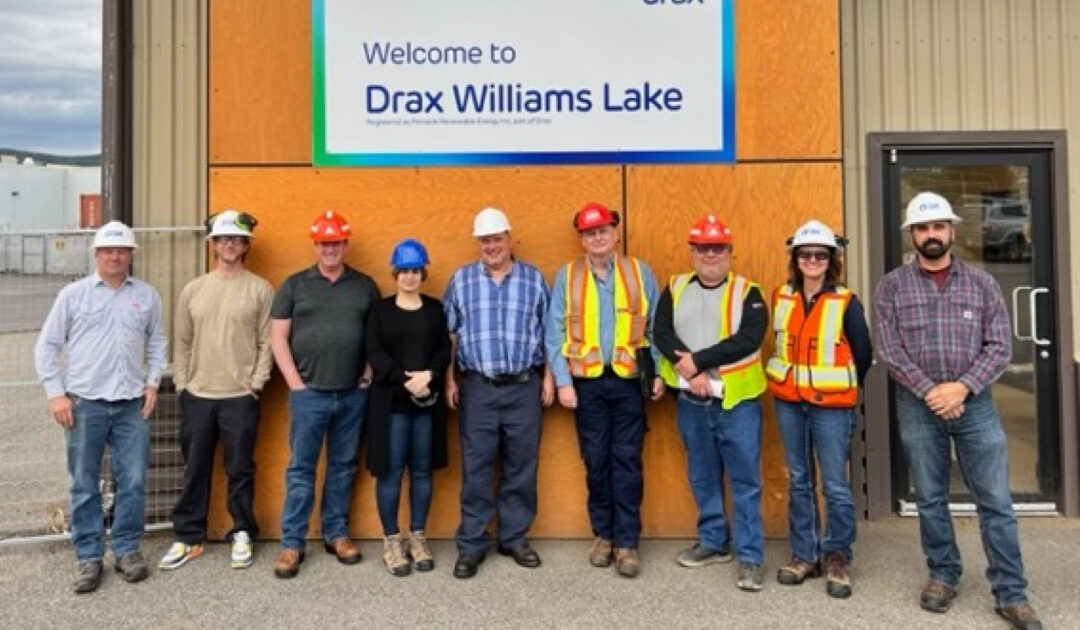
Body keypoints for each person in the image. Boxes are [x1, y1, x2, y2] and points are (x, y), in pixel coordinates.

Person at [873, 192, 1041, 629]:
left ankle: (1011, 592)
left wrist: (962, 388)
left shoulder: (982, 284)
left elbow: (1000, 346)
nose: (931, 234)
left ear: (951, 230)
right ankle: (943, 575)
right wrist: (932, 391)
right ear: (912, 234)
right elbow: (889, 349)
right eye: (922, 228)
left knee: (995, 501)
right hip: (918, 404)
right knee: (930, 498)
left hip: (975, 404)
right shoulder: (892, 287)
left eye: (938, 226)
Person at [34, 221, 167, 594]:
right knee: (83, 482)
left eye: (122, 250)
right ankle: (89, 556)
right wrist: (56, 394)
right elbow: (46, 346)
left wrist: (153, 382)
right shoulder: (73, 295)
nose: (115, 256)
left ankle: (126, 550)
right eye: (108, 250)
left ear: (131, 255)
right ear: (96, 254)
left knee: (134, 480)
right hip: (85, 404)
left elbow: (158, 341)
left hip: (131, 405)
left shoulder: (146, 296)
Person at [544, 202, 664, 578]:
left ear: (615, 233)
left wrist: (658, 372)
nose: (597, 237)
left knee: (627, 461)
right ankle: (604, 535)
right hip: (587, 385)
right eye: (590, 232)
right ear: (582, 239)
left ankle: (627, 542)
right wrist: (563, 381)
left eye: (603, 231)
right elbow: (554, 333)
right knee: (596, 461)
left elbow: (655, 326)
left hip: (629, 383)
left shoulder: (640, 272)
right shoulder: (568, 276)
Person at [654, 214, 769, 592]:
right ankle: (713, 541)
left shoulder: (748, 292)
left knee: (745, 481)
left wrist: (697, 363)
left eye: (718, 247)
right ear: (692, 252)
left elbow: (748, 340)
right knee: (702, 475)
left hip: (737, 402)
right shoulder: (675, 287)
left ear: (730, 252)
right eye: (703, 248)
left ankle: (750, 556)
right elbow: (661, 332)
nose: (710, 254)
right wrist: (692, 375)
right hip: (692, 400)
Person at [158, 210, 274, 571]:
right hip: (198, 394)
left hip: (240, 396)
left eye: (236, 240)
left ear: (246, 245)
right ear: (214, 245)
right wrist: (183, 384)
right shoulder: (194, 289)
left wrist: (257, 382)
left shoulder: (260, 289)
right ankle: (188, 537)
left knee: (240, 469)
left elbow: (267, 341)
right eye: (223, 239)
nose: (229, 245)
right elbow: (182, 341)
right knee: (195, 468)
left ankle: (242, 532)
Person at [443, 207, 554, 579]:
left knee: (521, 465)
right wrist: (450, 380)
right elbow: (450, 335)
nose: (491, 246)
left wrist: (549, 379)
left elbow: (549, 334)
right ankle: (472, 544)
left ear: (509, 238)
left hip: (524, 387)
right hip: (478, 388)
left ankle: (514, 537)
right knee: (476, 467)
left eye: (496, 239)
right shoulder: (461, 281)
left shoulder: (533, 279)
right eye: (484, 241)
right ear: (478, 243)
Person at [269, 210, 380, 579]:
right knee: (301, 469)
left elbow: (376, 335)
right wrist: (294, 382)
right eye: (323, 244)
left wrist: (367, 373)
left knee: (343, 466)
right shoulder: (294, 285)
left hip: (352, 394)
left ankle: (336, 534)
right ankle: (292, 542)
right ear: (315, 246)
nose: (330, 249)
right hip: (309, 395)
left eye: (336, 243)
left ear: (345, 245)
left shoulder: (364, 286)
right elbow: (278, 337)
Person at [764, 219, 872, 598]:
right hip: (789, 402)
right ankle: (804, 555)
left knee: (835, 485)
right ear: (796, 259)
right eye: (805, 255)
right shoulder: (781, 296)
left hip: (832, 406)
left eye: (820, 255)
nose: (812, 261)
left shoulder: (846, 301)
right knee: (799, 480)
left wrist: (836, 386)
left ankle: (837, 556)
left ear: (831, 260)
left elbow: (863, 354)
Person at [365, 238, 451, 577]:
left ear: (423, 273)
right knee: (391, 471)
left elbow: (444, 349)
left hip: (426, 403)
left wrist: (429, 375)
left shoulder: (435, 309)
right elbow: (374, 351)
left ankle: (418, 537)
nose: (410, 277)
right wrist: (405, 378)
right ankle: (391, 540)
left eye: (415, 270)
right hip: (391, 405)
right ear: (395, 274)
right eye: (404, 271)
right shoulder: (380, 311)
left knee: (422, 471)